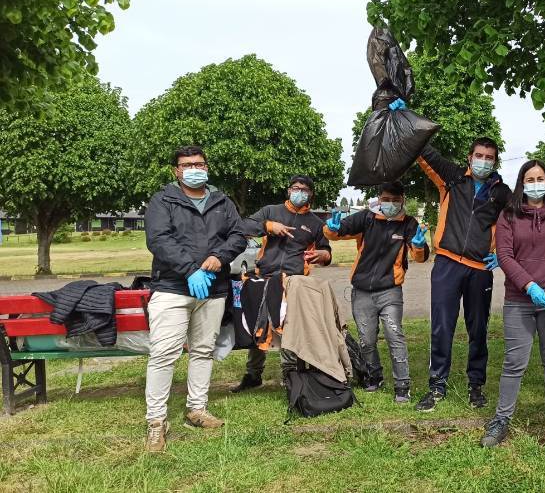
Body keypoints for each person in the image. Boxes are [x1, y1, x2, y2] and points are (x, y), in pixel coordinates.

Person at [144, 145, 247, 452]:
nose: (194, 168)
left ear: (207, 167)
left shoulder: (221, 200)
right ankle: (156, 422)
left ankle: (196, 410)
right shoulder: (163, 200)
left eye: (199, 164)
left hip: (212, 290)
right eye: (187, 164)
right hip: (172, 289)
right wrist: (190, 270)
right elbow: (159, 239)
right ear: (176, 170)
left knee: (203, 350)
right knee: (164, 354)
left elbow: (238, 235)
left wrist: (219, 256)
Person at [480, 160, 545, 448]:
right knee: (515, 362)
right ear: (522, 183)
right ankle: (502, 419)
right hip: (519, 300)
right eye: (530, 178)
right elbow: (506, 256)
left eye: (540, 178)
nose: (536, 183)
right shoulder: (509, 215)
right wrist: (529, 285)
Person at [414, 138, 512, 412]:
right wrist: (403, 117)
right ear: (469, 157)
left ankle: (476, 386)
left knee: (478, 328)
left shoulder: (502, 193)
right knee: (442, 326)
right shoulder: (453, 178)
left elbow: (517, 223)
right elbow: (424, 151)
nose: (483, 161)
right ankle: (436, 385)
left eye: (489, 157)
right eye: (479, 155)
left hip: (480, 269)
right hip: (447, 262)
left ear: (495, 162)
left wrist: (502, 255)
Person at [323, 180, 429, 403]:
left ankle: (402, 385)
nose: (390, 204)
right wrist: (330, 229)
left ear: (403, 201)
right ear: (379, 199)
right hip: (361, 291)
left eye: (395, 200)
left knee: (394, 335)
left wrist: (419, 246)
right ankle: (374, 375)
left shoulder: (408, 224)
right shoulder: (366, 218)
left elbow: (419, 256)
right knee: (366, 340)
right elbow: (338, 231)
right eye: (386, 200)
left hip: (390, 291)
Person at [229, 175, 332, 392]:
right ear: (288, 190)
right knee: (260, 326)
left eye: (304, 189)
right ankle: (253, 375)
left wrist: (323, 255)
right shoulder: (271, 211)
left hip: (294, 282)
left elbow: (326, 253)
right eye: (295, 188)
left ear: (310, 194)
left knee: (289, 328)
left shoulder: (316, 223)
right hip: (264, 278)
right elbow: (244, 225)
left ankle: (290, 375)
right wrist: (268, 226)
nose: (299, 192)